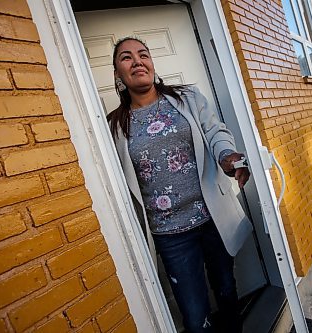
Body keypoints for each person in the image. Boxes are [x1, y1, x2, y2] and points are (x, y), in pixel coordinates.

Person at [108, 36, 252, 333]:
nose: (137, 61)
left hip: (211, 219)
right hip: (170, 234)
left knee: (226, 292)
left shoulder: (187, 98)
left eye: (143, 54)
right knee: (194, 315)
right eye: (126, 57)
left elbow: (215, 132)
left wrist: (227, 156)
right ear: (117, 74)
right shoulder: (114, 125)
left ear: (151, 63)